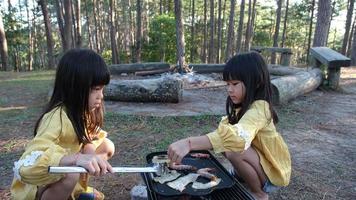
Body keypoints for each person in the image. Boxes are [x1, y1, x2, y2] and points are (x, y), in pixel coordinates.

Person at [167, 52, 291, 200]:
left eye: (235, 84)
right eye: (228, 84)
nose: (230, 89)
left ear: (256, 82)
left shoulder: (260, 109)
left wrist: (189, 143)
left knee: (234, 148)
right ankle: (242, 175)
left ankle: (259, 193)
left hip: (272, 174)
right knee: (224, 142)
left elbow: (237, 137)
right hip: (261, 164)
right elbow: (222, 135)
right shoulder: (243, 105)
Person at [11, 49, 115, 200]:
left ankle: (75, 192)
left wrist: (90, 155)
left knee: (107, 146)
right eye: (96, 89)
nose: (101, 96)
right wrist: (77, 159)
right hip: (38, 184)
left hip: (65, 170)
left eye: (102, 89)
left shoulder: (84, 111)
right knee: (71, 173)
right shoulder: (56, 118)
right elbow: (27, 165)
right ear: (74, 87)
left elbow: (89, 138)